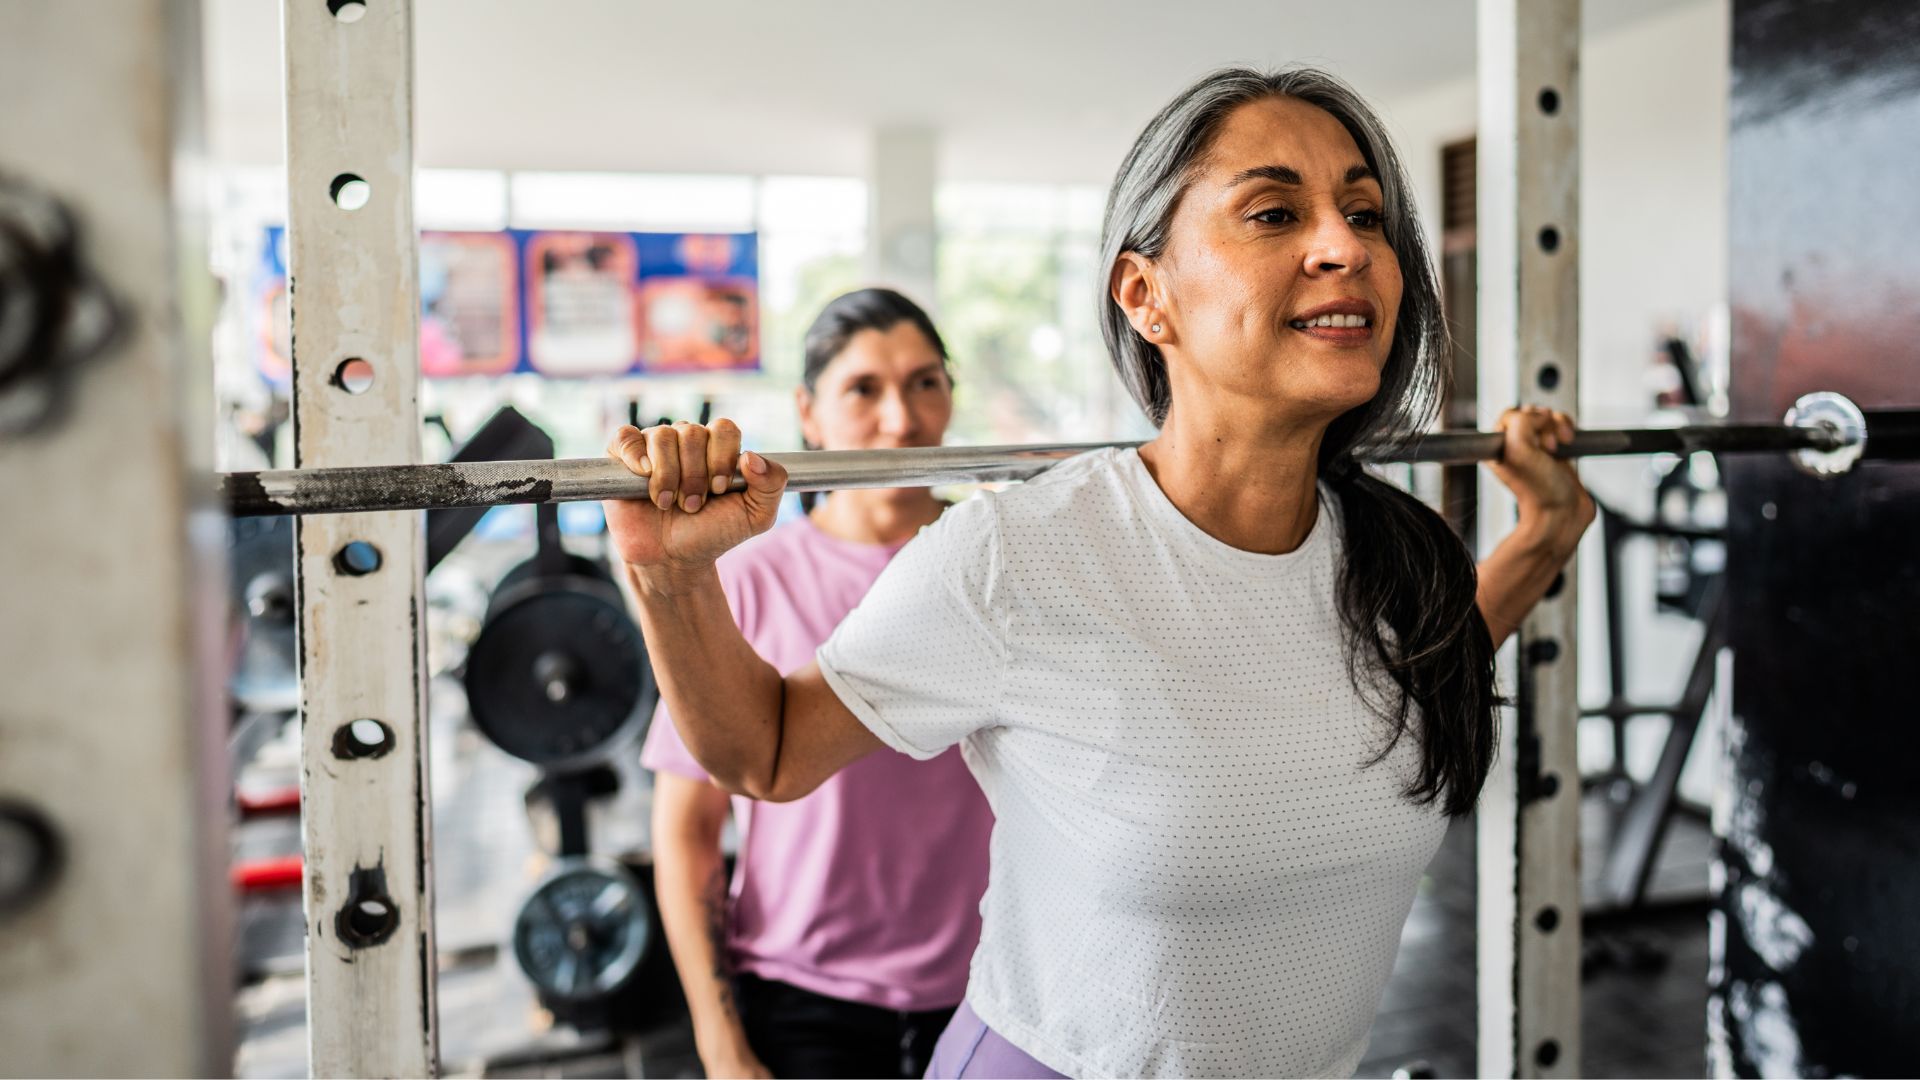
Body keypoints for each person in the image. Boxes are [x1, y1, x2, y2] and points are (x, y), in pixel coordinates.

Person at [604, 68, 1594, 1078]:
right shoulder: (1017, 554)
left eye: (1365, 213)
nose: (1346, 246)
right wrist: (673, 582)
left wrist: (1546, 533)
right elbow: (764, 754)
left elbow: (1412, 675)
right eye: (1274, 212)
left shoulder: (1400, 565)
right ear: (1145, 295)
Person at [638, 288, 993, 1079]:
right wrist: (720, 1044)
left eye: (925, 382)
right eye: (864, 390)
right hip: (802, 1003)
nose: (901, 420)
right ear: (810, 412)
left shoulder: (994, 564)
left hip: (993, 992)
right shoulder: (744, 579)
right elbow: (688, 829)